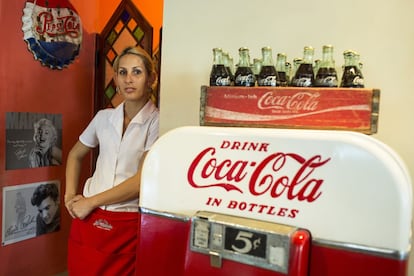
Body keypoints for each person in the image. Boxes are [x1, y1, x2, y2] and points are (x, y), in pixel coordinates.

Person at [65, 46, 159, 275]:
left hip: (126, 221)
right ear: (115, 78)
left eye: (137, 72)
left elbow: (140, 181)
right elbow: (75, 155)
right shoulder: (103, 118)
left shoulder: (157, 122)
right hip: (87, 219)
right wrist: (69, 196)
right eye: (122, 72)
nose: (129, 79)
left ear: (151, 79)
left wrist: (90, 202)